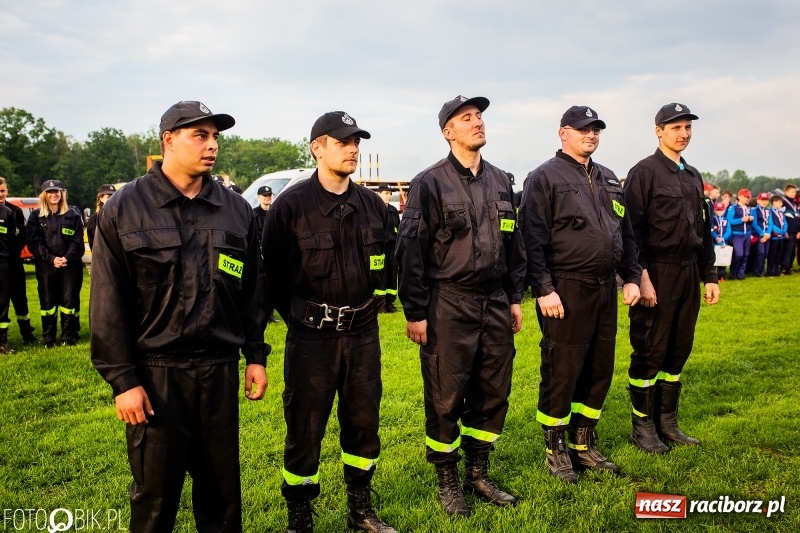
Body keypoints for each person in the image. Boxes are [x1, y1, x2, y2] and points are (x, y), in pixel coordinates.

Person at [90, 101, 269, 532]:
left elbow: (252, 292)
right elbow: (107, 303)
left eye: (215, 138)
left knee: (223, 497)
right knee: (155, 497)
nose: (212, 147)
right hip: (156, 377)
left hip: (218, 373)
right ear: (168, 140)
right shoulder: (124, 208)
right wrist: (124, 381)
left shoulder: (235, 209)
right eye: (200, 136)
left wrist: (256, 355)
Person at [262, 111, 397, 533]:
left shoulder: (373, 206)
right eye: (343, 141)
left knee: (363, 425)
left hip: (363, 336)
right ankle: (300, 517)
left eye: (357, 141)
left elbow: (390, 265)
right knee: (305, 429)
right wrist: (306, 318)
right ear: (317, 148)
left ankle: (361, 511)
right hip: (311, 340)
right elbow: (273, 277)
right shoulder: (291, 206)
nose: (354, 148)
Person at [396, 95, 525, 516]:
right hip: (448, 303)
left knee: (493, 392)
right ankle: (448, 479)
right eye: (466, 118)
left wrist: (514, 298)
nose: (477, 122)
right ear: (447, 131)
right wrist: (415, 311)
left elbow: (513, 244)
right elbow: (410, 250)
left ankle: (478, 472)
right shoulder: (429, 183)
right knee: (446, 395)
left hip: (495, 301)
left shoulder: (502, 180)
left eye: (480, 116)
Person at [521, 106, 641, 483]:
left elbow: (626, 235)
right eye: (583, 129)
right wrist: (544, 289)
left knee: (599, 368)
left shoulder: (608, 178)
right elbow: (531, 240)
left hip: (606, 287)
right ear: (563, 133)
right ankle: (554, 448)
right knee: (562, 369)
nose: (591, 135)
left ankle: (583, 442)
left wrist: (632, 276)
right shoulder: (543, 177)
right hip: (566, 288)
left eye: (596, 130)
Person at [623, 103, 720, 454]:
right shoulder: (644, 172)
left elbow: (703, 229)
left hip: (688, 271)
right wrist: (641, 276)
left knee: (679, 350)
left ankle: (667, 422)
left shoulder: (692, 175)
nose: (683, 133)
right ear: (658, 130)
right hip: (657, 272)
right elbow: (630, 233)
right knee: (650, 349)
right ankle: (642, 427)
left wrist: (709, 275)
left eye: (687, 128)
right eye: (676, 127)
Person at [26, 180, 84, 348]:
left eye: (57, 191)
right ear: (44, 194)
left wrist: (67, 257)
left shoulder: (72, 215)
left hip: (69, 266)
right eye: (50, 192)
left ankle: (67, 337)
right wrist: (51, 259)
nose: (54, 195)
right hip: (46, 267)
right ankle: (49, 339)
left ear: (62, 193)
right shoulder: (36, 216)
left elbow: (77, 240)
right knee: (47, 302)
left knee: (69, 301)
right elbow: (34, 242)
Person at [0, 177, 37, 343]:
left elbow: (22, 236)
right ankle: (3, 338)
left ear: (6, 191)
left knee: (20, 298)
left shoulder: (15, 211)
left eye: (2, 191)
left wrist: (11, 253)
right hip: (1, 264)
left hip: (14, 261)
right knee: (2, 300)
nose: (0, 194)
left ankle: (27, 334)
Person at [253, 185, 279, 323]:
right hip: (259, 254)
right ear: (259, 197)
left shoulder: (275, 212)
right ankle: (263, 313)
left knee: (272, 285)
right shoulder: (254, 213)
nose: (268, 197)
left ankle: (270, 313)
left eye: (269, 195)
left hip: (273, 254)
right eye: (265, 195)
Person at [376, 183, 400, 313]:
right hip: (380, 248)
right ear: (379, 194)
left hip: (392, 248)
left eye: (390, 194)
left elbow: (399, 228)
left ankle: (390, 303)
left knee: (392, 275)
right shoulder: (373, 210)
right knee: (381, 275)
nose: (389, 196)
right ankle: (380, 304)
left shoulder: (393, 211)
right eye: (386, 193)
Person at [0, 199, 17, 353]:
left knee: (2, 304)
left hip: (2, 263)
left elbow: (12, 238)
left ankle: (3, 342)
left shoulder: (7, 212)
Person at [727, 189, 754, 280]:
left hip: (747, 234)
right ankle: (733, 273)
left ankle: (741, 274)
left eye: (748, 197)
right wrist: (741, 220)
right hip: (737, 234)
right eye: (745, 197)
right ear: (739, 196)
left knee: (746, 254)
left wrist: (751, 218)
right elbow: (729, 221)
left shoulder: (749, 208)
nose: (747, 199)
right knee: (739, 254)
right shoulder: (733, 208)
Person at [85, 183, 116, 250]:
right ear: (101, 198)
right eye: (108, 197)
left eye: (114, 197)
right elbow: (92, 244)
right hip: (101, 258)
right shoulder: (94, 219)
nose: (111, 200)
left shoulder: (120, 217)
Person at [751, 192, 773, 277]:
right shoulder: (754, 210)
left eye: (766, 200)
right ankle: (757, 271)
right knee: (760, 253)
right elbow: (754, 223)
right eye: (762, 200)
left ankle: (762, 271)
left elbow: (770, 223)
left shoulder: (768, 210)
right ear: (758, 200)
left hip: (767, 235)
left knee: (765, 254)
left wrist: (768, 233)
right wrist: (762, 233)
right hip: (758, 235)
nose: (764, 202)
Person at [711, 201, 732, 281]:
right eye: (718, 210)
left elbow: (729, 231)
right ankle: (713, 277)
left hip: (723, 242)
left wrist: (723, 239)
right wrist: (716, 237)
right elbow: (712, 230)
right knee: (714, 260)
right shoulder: (713, 219)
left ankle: (721, 276)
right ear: (715, 210)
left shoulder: (726, 220)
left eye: (721, 210)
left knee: (722, 259)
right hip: (714, 242)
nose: (719, 211)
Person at [767, 195, 788, 276]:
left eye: (781, 202)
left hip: (781, 237)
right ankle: (770, 271)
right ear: (774, 202)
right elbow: (771, 224)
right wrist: (778, 231)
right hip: (774, 237)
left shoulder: (781, 212)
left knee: (779, 254)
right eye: (779, 202)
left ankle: (776, 270)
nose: (781, 203)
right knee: (772, 254)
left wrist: (784, 231)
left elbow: (785, 222)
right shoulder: (770, 212)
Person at [780, 184, 798, 274]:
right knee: (787, 250)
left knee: (792, 251)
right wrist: (784, 230)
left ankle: (789, 266)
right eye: (792, 192)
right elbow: (780, 217)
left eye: (795, 192)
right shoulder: (783, 202)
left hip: (795, 230)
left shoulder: (794, 204)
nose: (794, 193)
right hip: (787, 230)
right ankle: (784, 268)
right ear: (786, 192)